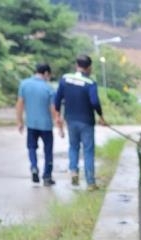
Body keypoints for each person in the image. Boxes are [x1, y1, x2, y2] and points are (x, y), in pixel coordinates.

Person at [53, 54, 107, 191]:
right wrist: (101, 116)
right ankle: (90, 183)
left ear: (77, 65)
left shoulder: (65, 79)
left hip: (70, 120)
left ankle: (74, 172)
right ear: (89, 68)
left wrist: (58, 115)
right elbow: (94, 101)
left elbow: (57, 98)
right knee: (88, 151)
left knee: (73, 146)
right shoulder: (90, 83)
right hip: (87, 121)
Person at [16, 62, 63, 186]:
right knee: (48, 150)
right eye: (49, 75)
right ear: (46, 73)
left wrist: (19, 121)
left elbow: (20, 103)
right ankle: (47, 176)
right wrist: (59, 125)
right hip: (46, 125)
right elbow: (53, 109)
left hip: (31, 124)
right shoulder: (49, 89)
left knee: (31, 147)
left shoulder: (24, 84)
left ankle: (34, 167)